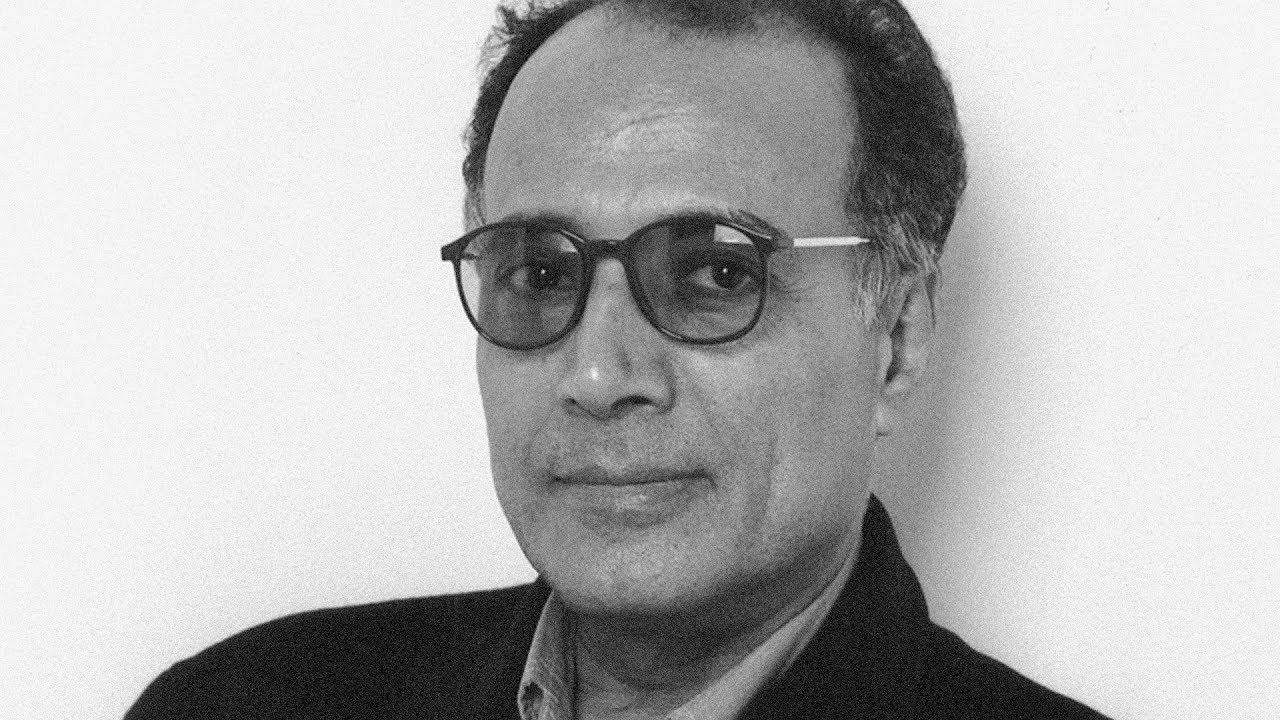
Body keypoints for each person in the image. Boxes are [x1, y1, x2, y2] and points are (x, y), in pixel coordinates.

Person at [126, 0, 1111, 718]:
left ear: (894, 340)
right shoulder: (240, 703)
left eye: (716, 275)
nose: (597, 378)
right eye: (541, 274)